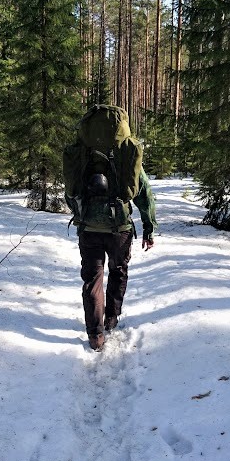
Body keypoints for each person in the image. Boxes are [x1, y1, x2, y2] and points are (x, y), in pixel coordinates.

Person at [63, 105, 158, 352]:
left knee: (92, 279)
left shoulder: (84, 154)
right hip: (120, 227)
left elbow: (70, 192)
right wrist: (148, 227)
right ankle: (111, 318)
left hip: (89, 228)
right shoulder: (126, 154)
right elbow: (144, 192)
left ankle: (95, 335)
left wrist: (81, 214)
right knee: (118, 271)